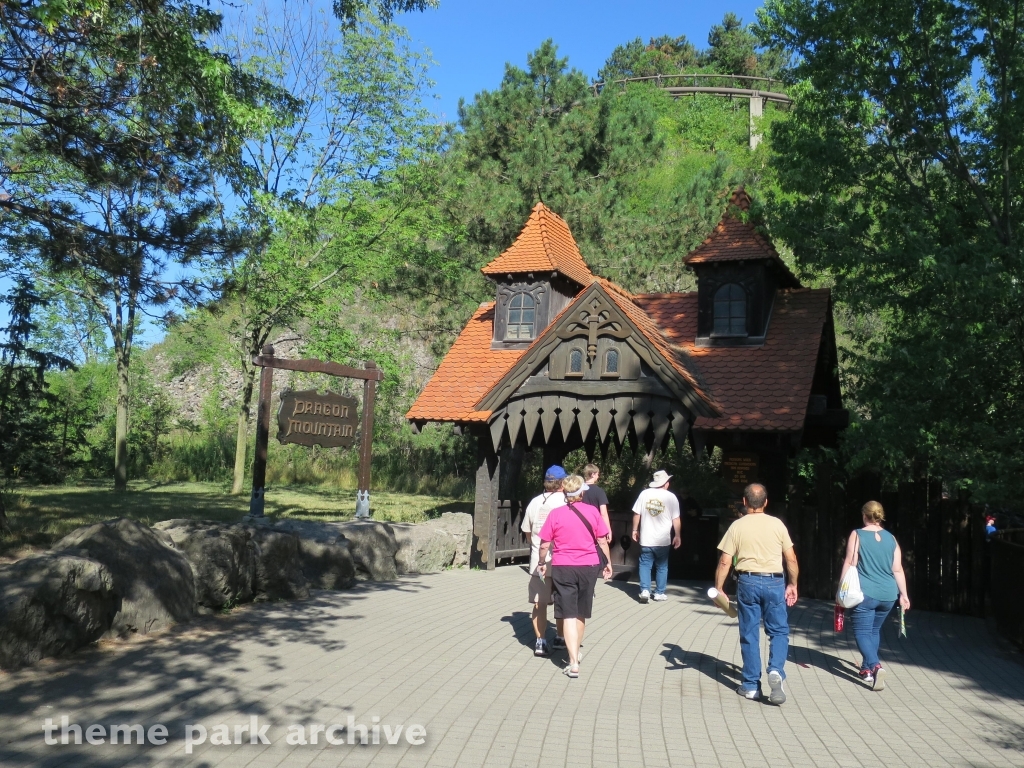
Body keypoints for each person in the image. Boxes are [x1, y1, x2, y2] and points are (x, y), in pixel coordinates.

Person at [714, 483, 798, 705]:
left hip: (748, 581)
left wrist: (719, 589)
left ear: (744, 502)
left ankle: (751, 686)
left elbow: (725, 561)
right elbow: (791, 559)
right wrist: (793, 584)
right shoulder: (778, 525)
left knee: (749, 632)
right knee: (779, 630)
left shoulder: (737, 527)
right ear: (766, 502)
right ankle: (776, 670)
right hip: (774, 582)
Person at [537, 474, 613, 678]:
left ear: (564, 491)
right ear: (581, 492)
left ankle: (572, 663)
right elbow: (603, 541)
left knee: (568, 614)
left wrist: (542, 563)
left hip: (563, 566)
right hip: (588, 566)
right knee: (581, 612)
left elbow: (544, 544)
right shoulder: (593, 512)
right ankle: (576, 652)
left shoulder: (556, 514)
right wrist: (608, 564)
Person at [841, 500, 910, 691]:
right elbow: (897, 569)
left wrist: (841, 590)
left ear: (864, 515)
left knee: (862, 632)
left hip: (865, 594)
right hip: (888, 595)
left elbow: (850, 562)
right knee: (873, 631)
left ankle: (876, 666)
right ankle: (866, 670)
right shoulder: (892, 539)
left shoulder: (857, 535)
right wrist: (904, 595)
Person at [521, 465, 567, 657]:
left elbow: (527, 531)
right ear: (563, 483)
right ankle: (560, 637)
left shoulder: (534, 502)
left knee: (539, 603)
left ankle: (540, 642)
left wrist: (536, 546)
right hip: (562, 560)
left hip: (538, 562)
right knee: (563, 600)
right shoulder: (567, 502)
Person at [631, 470, 681, 603]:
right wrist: (677, 535)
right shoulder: (671, 497)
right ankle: (659, 592)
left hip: (646, 537)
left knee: (645, 564)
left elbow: (637, 514)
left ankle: (645, 590)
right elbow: (676, 519)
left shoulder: (644, 494)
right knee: (662, 566)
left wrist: (635, 529)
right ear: (665, 483)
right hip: (663, 539)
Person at [582, 463, 612, 543]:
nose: (598, 477)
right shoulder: (599, 491)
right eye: (597, 474)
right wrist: (608, 530)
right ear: (593, 474)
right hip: (595, 526)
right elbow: (603, 513)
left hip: (580, 525)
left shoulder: (579, 491)